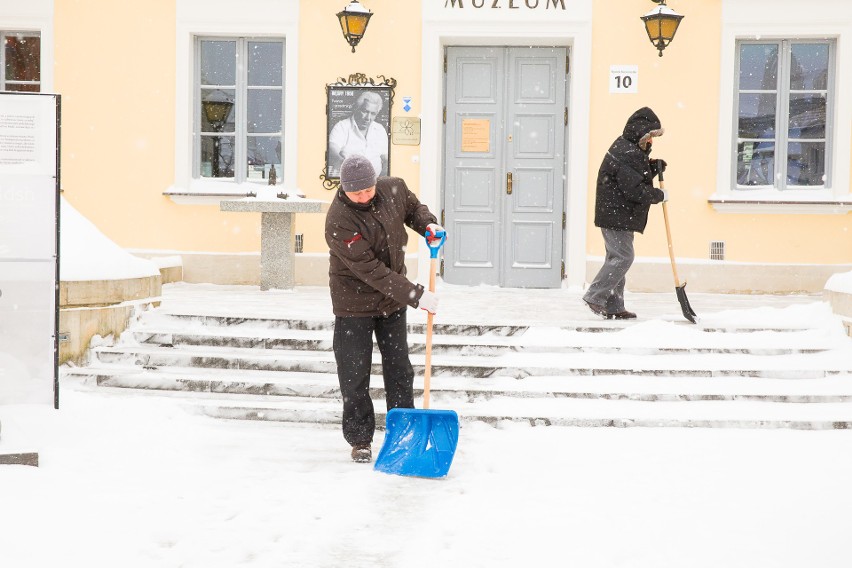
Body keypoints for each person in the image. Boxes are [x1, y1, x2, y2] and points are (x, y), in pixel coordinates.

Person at [324, 154, 445, 463]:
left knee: (400, 370)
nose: (365, 196)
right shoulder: (339, 219)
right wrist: (415, 295)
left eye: (369, 189)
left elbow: (413, 209)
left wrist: (428, 225)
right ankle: (360, 439)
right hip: (354, 304)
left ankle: (403, 429)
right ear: (345, 189)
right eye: (358, 192)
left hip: (390, 303)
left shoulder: (393, 189)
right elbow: (372, 271)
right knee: (354, 374)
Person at [583, 106, 667, 320]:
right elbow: (635, 189)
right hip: (616, 214)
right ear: (640, 133)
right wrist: (659, 195)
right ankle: (595, 296)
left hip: (617, 213)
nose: (651, 142)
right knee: (623, 257)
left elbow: (633, 175)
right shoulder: (626, 153)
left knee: (616, 258)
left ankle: (614, 306)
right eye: (650, 137)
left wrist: (652, 167)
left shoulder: (628, 149)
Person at [328, 91, 388, 178]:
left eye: (373, 114)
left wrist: (380, 181)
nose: (368, 118)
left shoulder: (380, 129)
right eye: (365, 111)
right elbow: (332, 153)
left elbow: (386, 160)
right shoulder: (342, 127)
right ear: (357, 108)